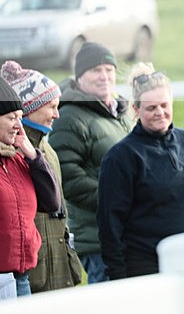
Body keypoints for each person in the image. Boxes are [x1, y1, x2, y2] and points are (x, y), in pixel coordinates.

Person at [97, 63, 184, 279]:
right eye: (151, 108)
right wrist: (117, 274)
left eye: (164, 105)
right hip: (148, 267)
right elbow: (110, 223)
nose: (160, 113)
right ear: (136, 109)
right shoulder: (121, 157)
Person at [49, 42, 133, 284]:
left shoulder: (119, 112)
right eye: (96, 70)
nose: (104, 76)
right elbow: (68, 177)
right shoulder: (69, 117)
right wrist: (116, 199)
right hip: (97, 237)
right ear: (80, 76)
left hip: (125, 230)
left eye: (109, 69)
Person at [1, 61, 83, 292]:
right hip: (23, 275)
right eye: (51, 106)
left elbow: (53, 204)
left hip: (31, 275)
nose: (57, 115)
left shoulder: (33, 154)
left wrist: (33, 156)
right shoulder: (13, 153)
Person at [0, 78, 60, 298]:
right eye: (11, 118)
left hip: (21, 279)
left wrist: (32, 154)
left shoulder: (17, 159)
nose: (19, 125)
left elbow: (51, 203)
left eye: (20, 117)